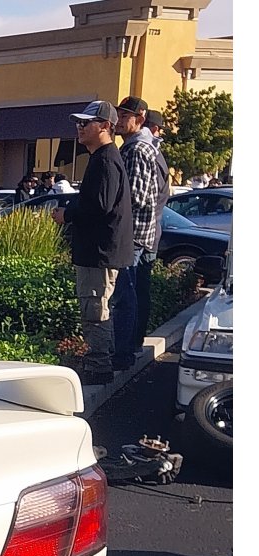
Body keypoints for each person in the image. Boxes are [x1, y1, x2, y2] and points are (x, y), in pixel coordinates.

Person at [53, 101, 134, 385]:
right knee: (98, 308)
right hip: (100, 251)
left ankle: (98, 368)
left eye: (86, 123)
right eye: (78, 123)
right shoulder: (103, 159)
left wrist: (68, 214)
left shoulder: (105, 160)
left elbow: (100, 206)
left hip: (99, 253)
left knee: (95, 310)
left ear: (105, 126)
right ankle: (100, 361)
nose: (80, 127)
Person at [111, 96, 166, 371]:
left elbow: (138, 196)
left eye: (124, 117)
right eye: (119, 116)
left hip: (133, 233)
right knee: (134, 292)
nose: (119, 122)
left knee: (124, 295)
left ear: (140, 119)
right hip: (144, 232)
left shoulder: (137, 150)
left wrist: (110, 204)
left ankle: (123, 352)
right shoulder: (144, 147)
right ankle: (129, 347)